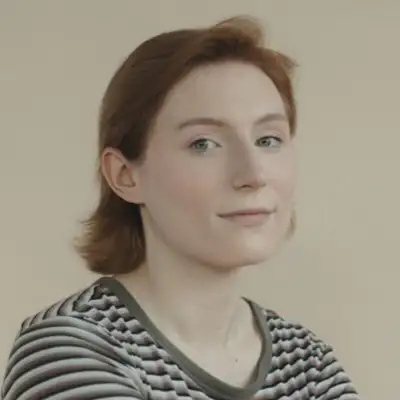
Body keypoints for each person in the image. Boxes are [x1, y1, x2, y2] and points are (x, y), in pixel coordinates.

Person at [1, 16, 360, 400]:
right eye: (203, 144)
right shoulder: (67, 350)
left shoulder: (308, 361)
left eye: (268, 139)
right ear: (125, 175)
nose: (253, 174)